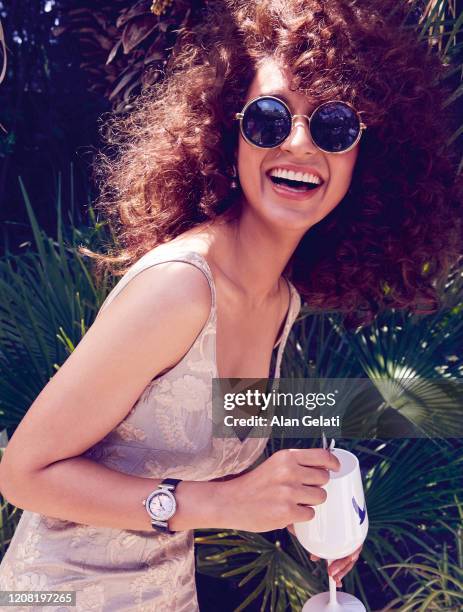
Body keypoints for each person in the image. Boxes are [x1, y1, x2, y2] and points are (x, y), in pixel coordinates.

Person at [0, 0, 461, 610]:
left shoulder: (281, 300)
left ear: (365, 158)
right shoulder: (180, 287)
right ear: (228, 134)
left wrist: (307, 508)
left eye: (334, 126)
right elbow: (23, 474)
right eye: (270, 120)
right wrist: (226, 502)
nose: (299, 143)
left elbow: (209, 413)